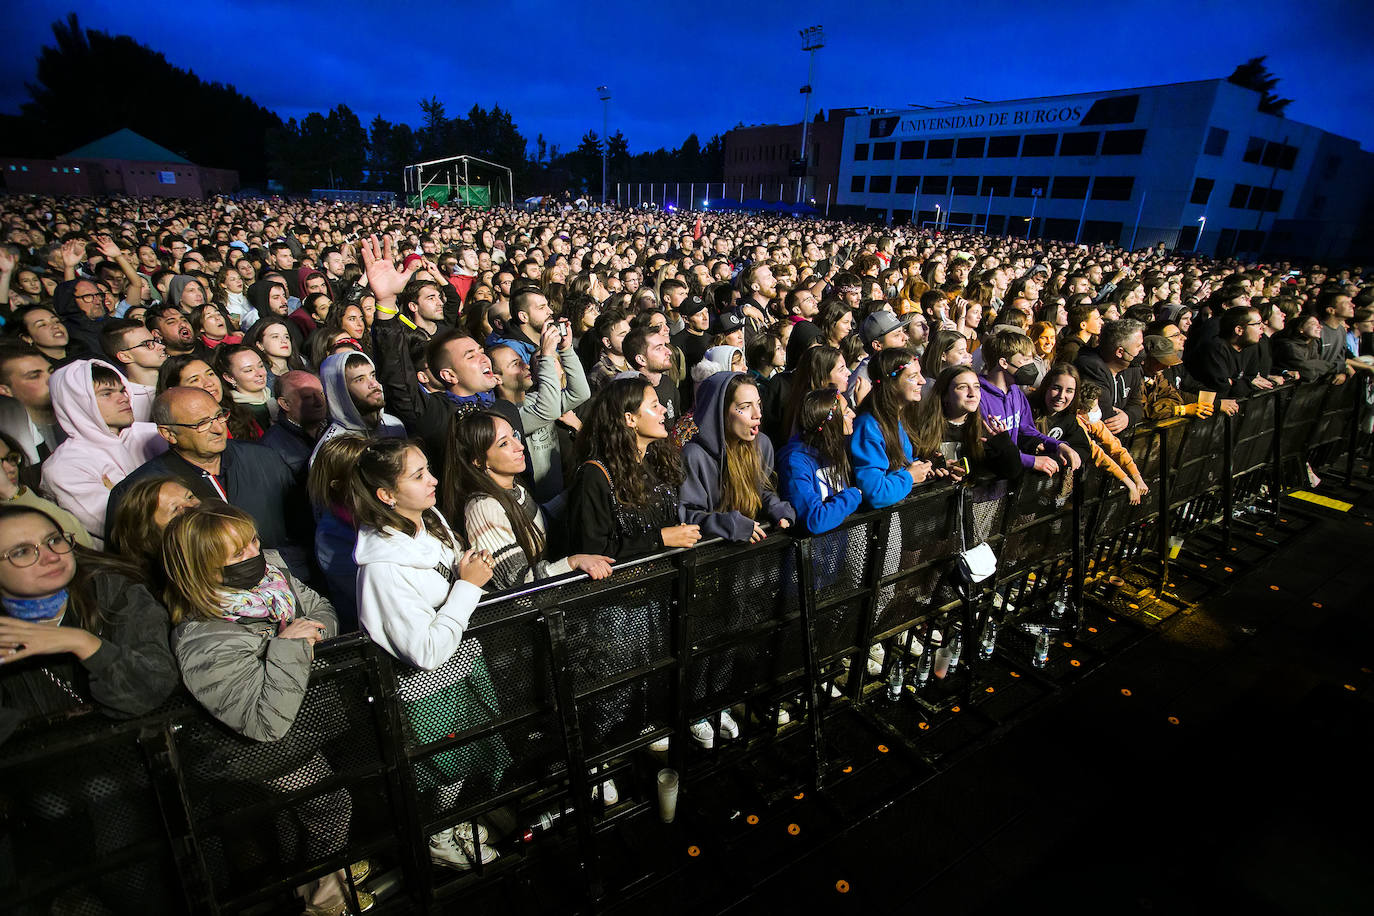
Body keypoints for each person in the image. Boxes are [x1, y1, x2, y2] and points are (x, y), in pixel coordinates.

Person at [161, 504, 348, 913]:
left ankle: (322, 880)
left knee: (305, 817)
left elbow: (323, 611)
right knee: (332, 806)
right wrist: (291, 645)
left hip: (308, 724)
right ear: (200, 567)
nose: (253, 556)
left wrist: (307, 635)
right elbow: (265, 721)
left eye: (253, 542)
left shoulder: (274, 580)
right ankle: (326, 903)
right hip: (263, 752)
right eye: (237, 554)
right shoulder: (202, 639)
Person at [349, 438, 509, 872]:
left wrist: (467, 565)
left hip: (465, 668)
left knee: (470, 760)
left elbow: (456, 566)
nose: (433, 480)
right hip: (428, 691)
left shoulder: (428, 518)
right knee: (441, 770)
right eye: (418, 476)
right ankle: (436, 838)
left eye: (428, 469)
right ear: (386, 495)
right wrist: (469, 585)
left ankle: (453, 822)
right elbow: (425, 651)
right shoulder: (382, 569)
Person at [0, 504, 178, 740]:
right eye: (22, 552)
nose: (51, 557)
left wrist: (84, 644)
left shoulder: (116, 592)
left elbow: (151, 692)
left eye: (54, 540)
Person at [106, 387, 311, 581]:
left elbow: (303, 529)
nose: (218, 428)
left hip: (290, 584)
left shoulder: (263, 458)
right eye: (201, 423)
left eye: (219, 415)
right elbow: (136, 571)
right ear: (168, 434)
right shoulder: (140, 489)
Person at [444, 411, 613, 591]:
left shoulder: (514, 488)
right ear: (478, 461)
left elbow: (540, 519)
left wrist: (584, 485)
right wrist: (572, 562)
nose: (520, 446)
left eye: (515, 435)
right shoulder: (484, 508)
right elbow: (517, 584)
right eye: (504, 444)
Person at [566, 377, 701, 560]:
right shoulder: (594, 475)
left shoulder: (657, 459)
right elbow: (592, 553)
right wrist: (659, 538)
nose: (663, 410)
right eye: (654, 406)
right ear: (630, 419)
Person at [40, 359, 168, 544]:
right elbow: (122, 525)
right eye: (106, 393)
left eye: (122, 390)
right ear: (77, 403)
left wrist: (125, 494)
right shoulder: (65, 466)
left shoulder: (150, 433)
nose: (123, 398)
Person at [681, 371, 796, 543]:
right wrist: (728, 524)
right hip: (713, 557)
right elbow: (689, 516)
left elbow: (763, 489)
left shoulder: (762, 444)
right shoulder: (694, 455)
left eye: (758, 404)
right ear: (719, 412)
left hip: (755, 553)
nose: (757, 414)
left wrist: (777, 508)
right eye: (744, 407)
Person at [978, 330, 1079, 477]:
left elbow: (1027, 430)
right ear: (1004, 363)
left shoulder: (1015, 392)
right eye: (1025, 359)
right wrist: (1030, 461)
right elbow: (984, 448)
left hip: (1008, 477)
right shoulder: (979, 396)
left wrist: (1058, 445)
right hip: (986, 479)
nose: (1032, 365)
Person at [850, 347, 937, 509]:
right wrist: (910, 476)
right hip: (870, 528)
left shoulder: (896, 417)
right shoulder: (869, 426)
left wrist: (925, 468)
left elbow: (898, 465)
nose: (922, 381)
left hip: (892, 517)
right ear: (891, 383)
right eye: (913, 376)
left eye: (920, 373)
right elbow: (875, 493)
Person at [912, 366, 1025, 481]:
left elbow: (1012, 472)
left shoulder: (985, 430)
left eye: (976, 387)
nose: (972, 393)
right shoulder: (920, 430)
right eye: (962, 387)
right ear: (945, 395)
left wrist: (1004, 443)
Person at [777, 387, 863, 535]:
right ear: (831, 422)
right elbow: (815, 520)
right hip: (811, 554)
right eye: (846, 411)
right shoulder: (795, 462)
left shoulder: (833, 447)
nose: (853, 414)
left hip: (837, 547)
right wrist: (853, 495)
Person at [0, 431, 93, 548]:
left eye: (10, 458)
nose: (10, 468)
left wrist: (13, 493)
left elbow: (82, 545)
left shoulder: (30, 497)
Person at [312, 351, 406, 460]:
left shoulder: (394, 425)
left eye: (373, 375)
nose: (374, 384)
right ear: (340, 391)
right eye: (360, 379)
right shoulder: (332, 448)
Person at [1074, 381, 1150, 504]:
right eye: (1093, 408)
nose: (1097, 410)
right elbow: (1099, 455)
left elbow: (1115, 448)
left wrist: (1137, 477)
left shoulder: (1093, 422)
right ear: (1080, 411)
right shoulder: (1077, 424)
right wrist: (1129, 483)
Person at [259, 370, 327, 482]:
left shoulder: (335, 426)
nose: (319, 402)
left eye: (321, 393)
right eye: (308, 397)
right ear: (285, 404)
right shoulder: (271, 448)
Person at [213, 343, 276, 431]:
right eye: (248, 370)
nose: (260, 373)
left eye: (261, 366)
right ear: (230, 378)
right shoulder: (234, 415)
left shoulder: (279, 394)